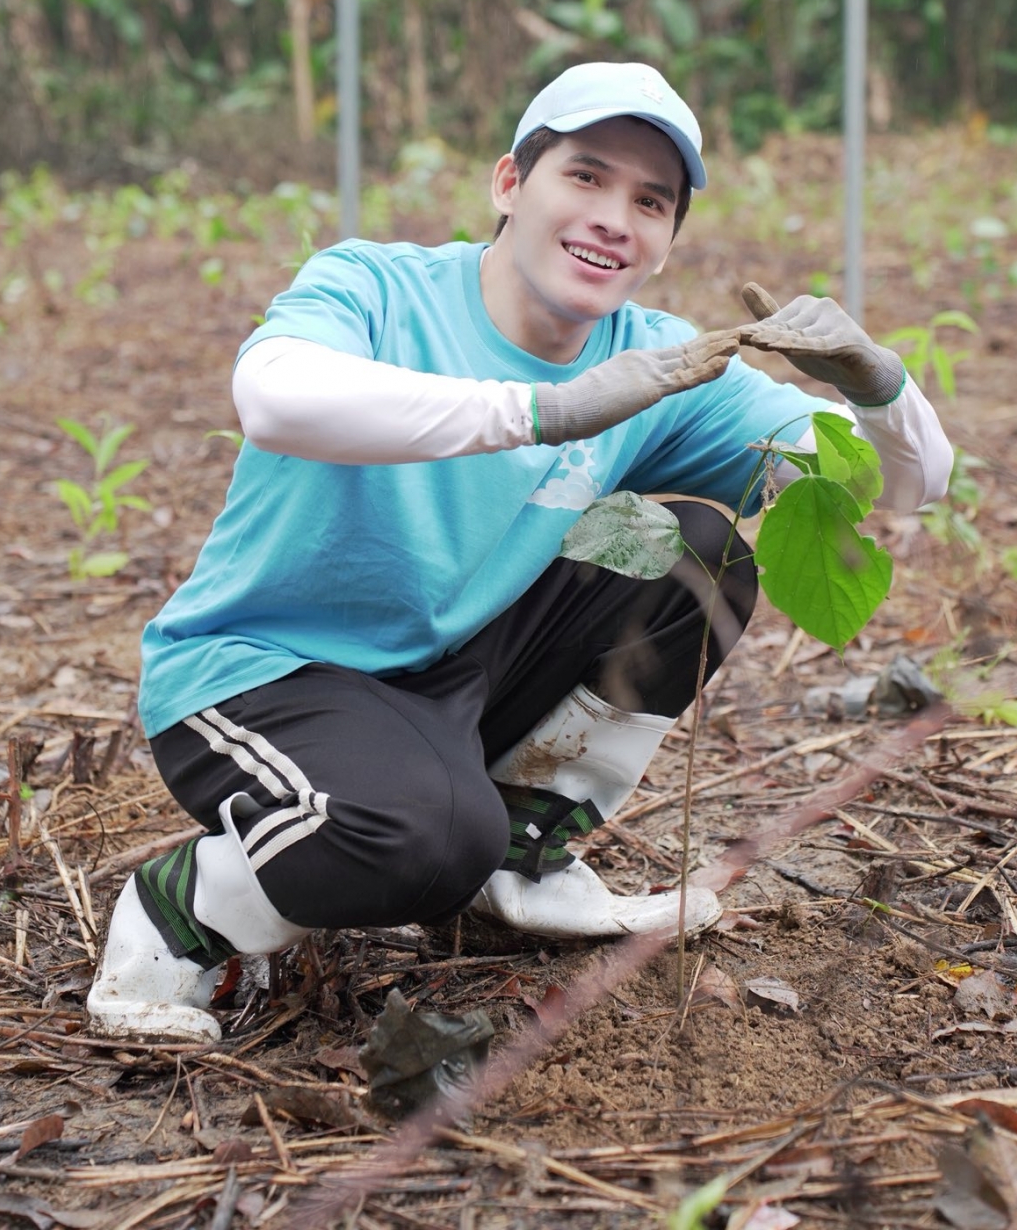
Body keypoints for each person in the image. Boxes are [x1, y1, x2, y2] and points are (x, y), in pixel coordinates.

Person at [87, 62, 952, 1044]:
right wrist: (542, 410)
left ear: (667, 239)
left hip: (454, 669)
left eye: (650, 200)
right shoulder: (378, 286)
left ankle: (529, 856)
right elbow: (277, 397)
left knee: (689, 549)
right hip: (264, 675)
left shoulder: (655, 359)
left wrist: (878, 385)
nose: (614, 216)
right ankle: (180, 914)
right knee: (418, 839)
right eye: (584, 175)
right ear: (510, 183)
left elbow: (910, 481)